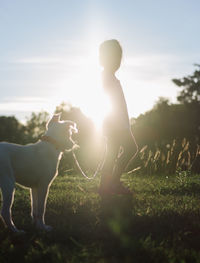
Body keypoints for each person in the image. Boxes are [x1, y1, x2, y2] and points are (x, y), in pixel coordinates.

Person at [98, 39, 138, 196]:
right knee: (130, 148)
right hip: (115, 123)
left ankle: (107, 185)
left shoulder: (110, 77)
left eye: (119, 57)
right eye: (115, 57)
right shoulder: (107, 77)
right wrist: (119, 124)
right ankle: (112, 183)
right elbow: (109, 103)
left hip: (116, 123)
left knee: (112, 153)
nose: (118, 61)